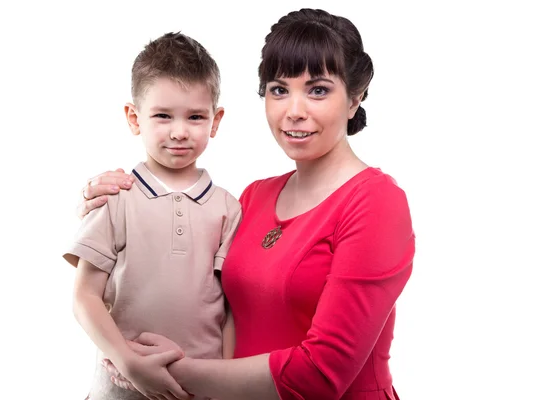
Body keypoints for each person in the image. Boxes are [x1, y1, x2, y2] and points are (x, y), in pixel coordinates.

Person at [78, 8, 415, 400]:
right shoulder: (254, 197)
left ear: (355, 98)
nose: (294, 110)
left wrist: (164, 373)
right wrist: (107, 200)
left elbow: (324, 372)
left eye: (318, 89)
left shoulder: (376, 202)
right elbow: (181, 267)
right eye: (278, 89)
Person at [64, 32, 241, 400]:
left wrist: (226, 383)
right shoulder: (115, 196)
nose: (179, 132)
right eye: (162, 116)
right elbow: (84, 297)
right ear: (134, 117)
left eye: (195, 116)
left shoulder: (227, 208)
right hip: (120, 388)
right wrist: (128, 362)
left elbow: (230, 309)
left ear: (215, 120)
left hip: (200, 390)